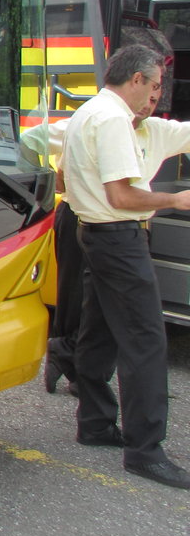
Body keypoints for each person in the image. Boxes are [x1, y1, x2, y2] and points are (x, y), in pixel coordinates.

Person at [60, 44, 190, 489]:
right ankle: (145, 450)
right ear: (135, 79)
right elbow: (123, 197)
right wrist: (174, 198)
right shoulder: (114, 120)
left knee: (99, 333)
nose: (154, 95)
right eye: (153, 85)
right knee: (146, 343)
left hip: (93, 233)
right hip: (119, 235)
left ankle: (95, 422)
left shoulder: (89, 111)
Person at [32, 96, 159, 397]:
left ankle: (75, 366)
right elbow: (33, 138)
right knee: (83, 301)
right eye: (145, 94)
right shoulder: (96, 120)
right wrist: (50, 182)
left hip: (115, 225)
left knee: (95, 306)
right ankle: (69, 357)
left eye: (155, 98)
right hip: (85, 217)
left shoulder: (151, 131)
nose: (146, 104)